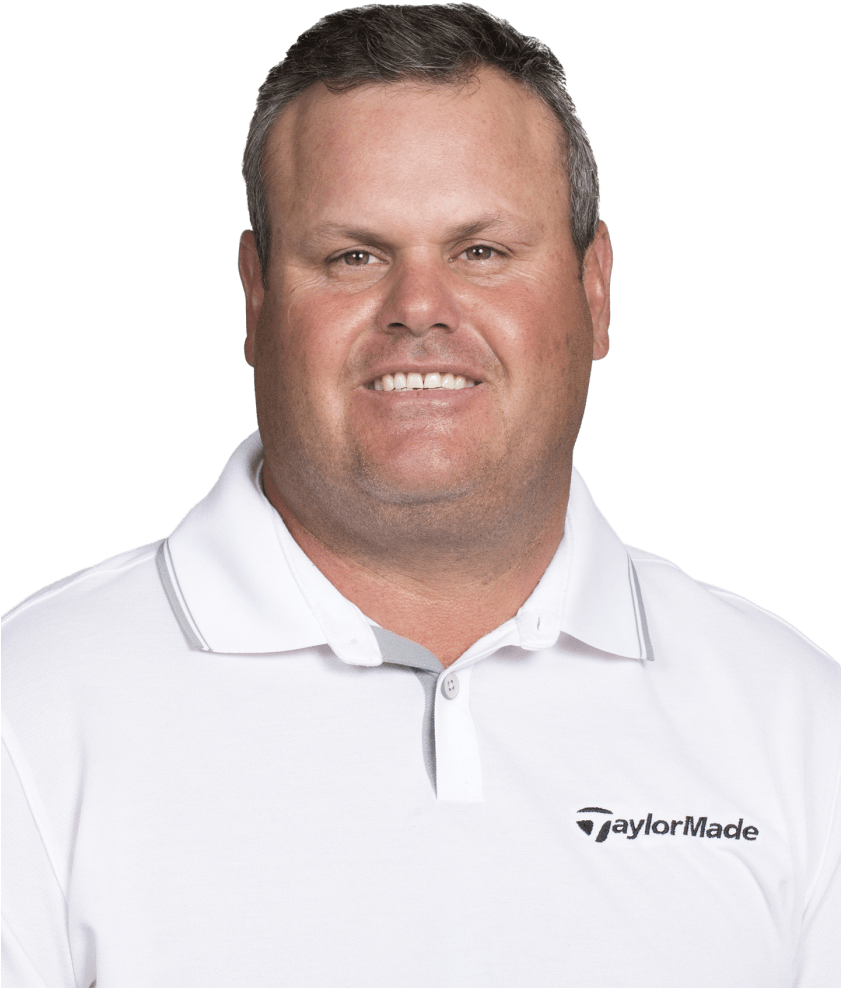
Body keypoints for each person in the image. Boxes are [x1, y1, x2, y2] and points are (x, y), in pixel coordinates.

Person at [2, 4, 838, 985]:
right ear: (255, 297)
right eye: (353, 256)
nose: (419, 309)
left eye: (481, 251)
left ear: (596, 286)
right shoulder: (25, 707)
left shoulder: (797, 714)